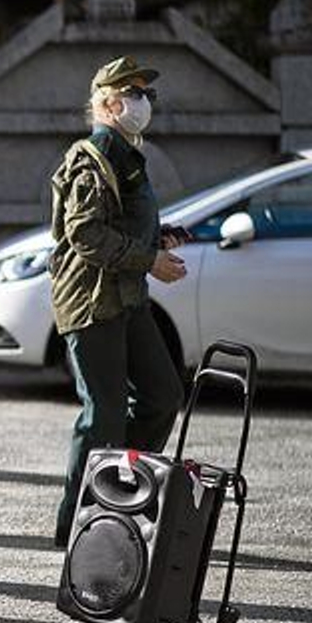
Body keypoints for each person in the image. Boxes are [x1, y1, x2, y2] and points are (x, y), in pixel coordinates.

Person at [49, 55, 187, 546]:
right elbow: (85, 234)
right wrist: (149, 260)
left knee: (163, 395)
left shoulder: (127, 153)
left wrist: (159, 237)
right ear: (107, 103)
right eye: (133, 93)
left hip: (127, 297)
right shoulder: (93, 157)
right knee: (103, 415)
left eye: (147, 94)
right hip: (92, 301)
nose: (143, 102)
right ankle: (76, 527)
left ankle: (114, 497)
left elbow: (118, 222)